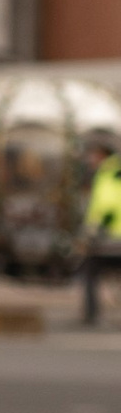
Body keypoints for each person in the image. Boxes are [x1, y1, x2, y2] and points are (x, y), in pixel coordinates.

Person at [83, 136, 121, 327]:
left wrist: (95, 228)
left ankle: (92, 315)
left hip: (111, 236)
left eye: (94, 154)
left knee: (90, 271)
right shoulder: (114, 170)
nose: (91, 159)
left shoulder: (108, 173)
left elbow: (106, 204)